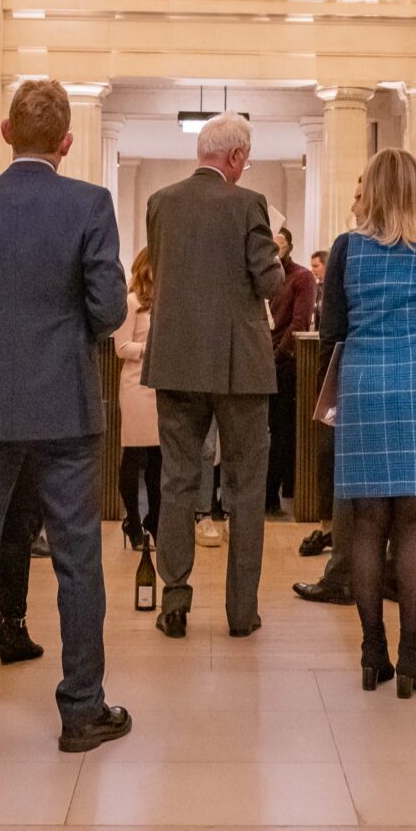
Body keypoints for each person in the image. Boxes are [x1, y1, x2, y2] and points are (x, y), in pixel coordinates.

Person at [0, 79, 131, 755]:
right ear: (67, 142)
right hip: (65, 405)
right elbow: (109, 311)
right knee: (77, 560)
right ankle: (82, 710)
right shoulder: (89, 204)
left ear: (6, 132)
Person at [321, 149, 416, 697]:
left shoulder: (346, 248)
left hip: (363, 382)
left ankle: (371, 654)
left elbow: (332, 327)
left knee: (366, 524)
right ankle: (411, 659)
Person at [143, 113, 285, 639]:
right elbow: (269, 283)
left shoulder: (160, 202)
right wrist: (275, 254)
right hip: (238, 366)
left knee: (177, 480)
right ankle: (241, 612)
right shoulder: (249, 204)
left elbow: (165, 270)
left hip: (176, 359)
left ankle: (174, 602)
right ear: (235, 156)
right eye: (246, 159)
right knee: (245, 488)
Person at [266, 226, 316, 513]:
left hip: (283, 364)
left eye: (280, 242)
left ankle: (270, 494)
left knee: (281, 430)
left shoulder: (301, 277)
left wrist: (275, 357)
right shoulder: (264, 275)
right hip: (262, 359)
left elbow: (299, 323)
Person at [115, 248, 163, 548]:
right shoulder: (131, 302)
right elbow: (122, 347)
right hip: (136, 385)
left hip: (159, 386)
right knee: (133, 455)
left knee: (158, 458)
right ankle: (132, 521)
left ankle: (154, 521)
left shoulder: (164, 303)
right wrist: (149, 350)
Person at [310, 249, 329, 321]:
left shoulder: (333, 289)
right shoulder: (318, 287)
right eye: (312, 266)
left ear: (326, 266)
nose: (312, 270)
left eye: (316, 266)